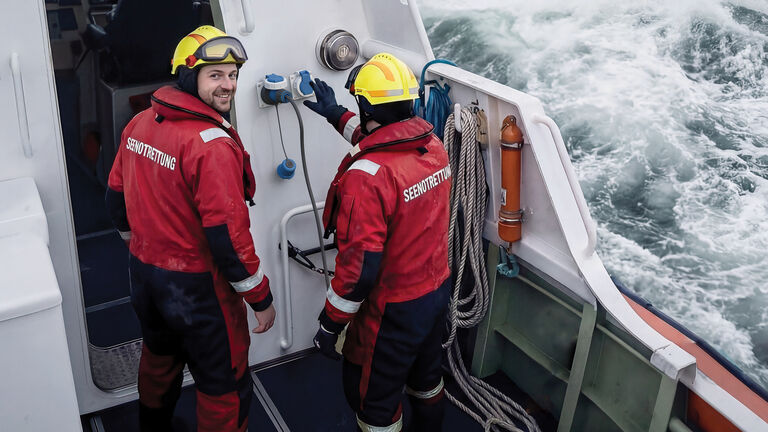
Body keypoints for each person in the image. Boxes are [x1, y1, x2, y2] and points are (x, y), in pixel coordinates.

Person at [105, 25, 274, 432]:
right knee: (224, 385)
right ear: (188, 76)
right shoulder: (210, 144)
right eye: (215, 75)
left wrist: (142, 243)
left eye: (232, 75)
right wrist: (260, 298)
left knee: (159, 361)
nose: (228, 86)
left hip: (145, 276)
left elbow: (114, 197)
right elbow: (227, 240)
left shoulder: (141, 123)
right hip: (199, 291)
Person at [304, 53, 452, 432]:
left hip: (392, 311)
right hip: (435, 293)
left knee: (371, 399)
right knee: (426, 380)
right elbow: (385, 138)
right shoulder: (432, 146)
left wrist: (329, 326)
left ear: (366, 104)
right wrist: (335, 113)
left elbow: (359, 272)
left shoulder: (367, 177)